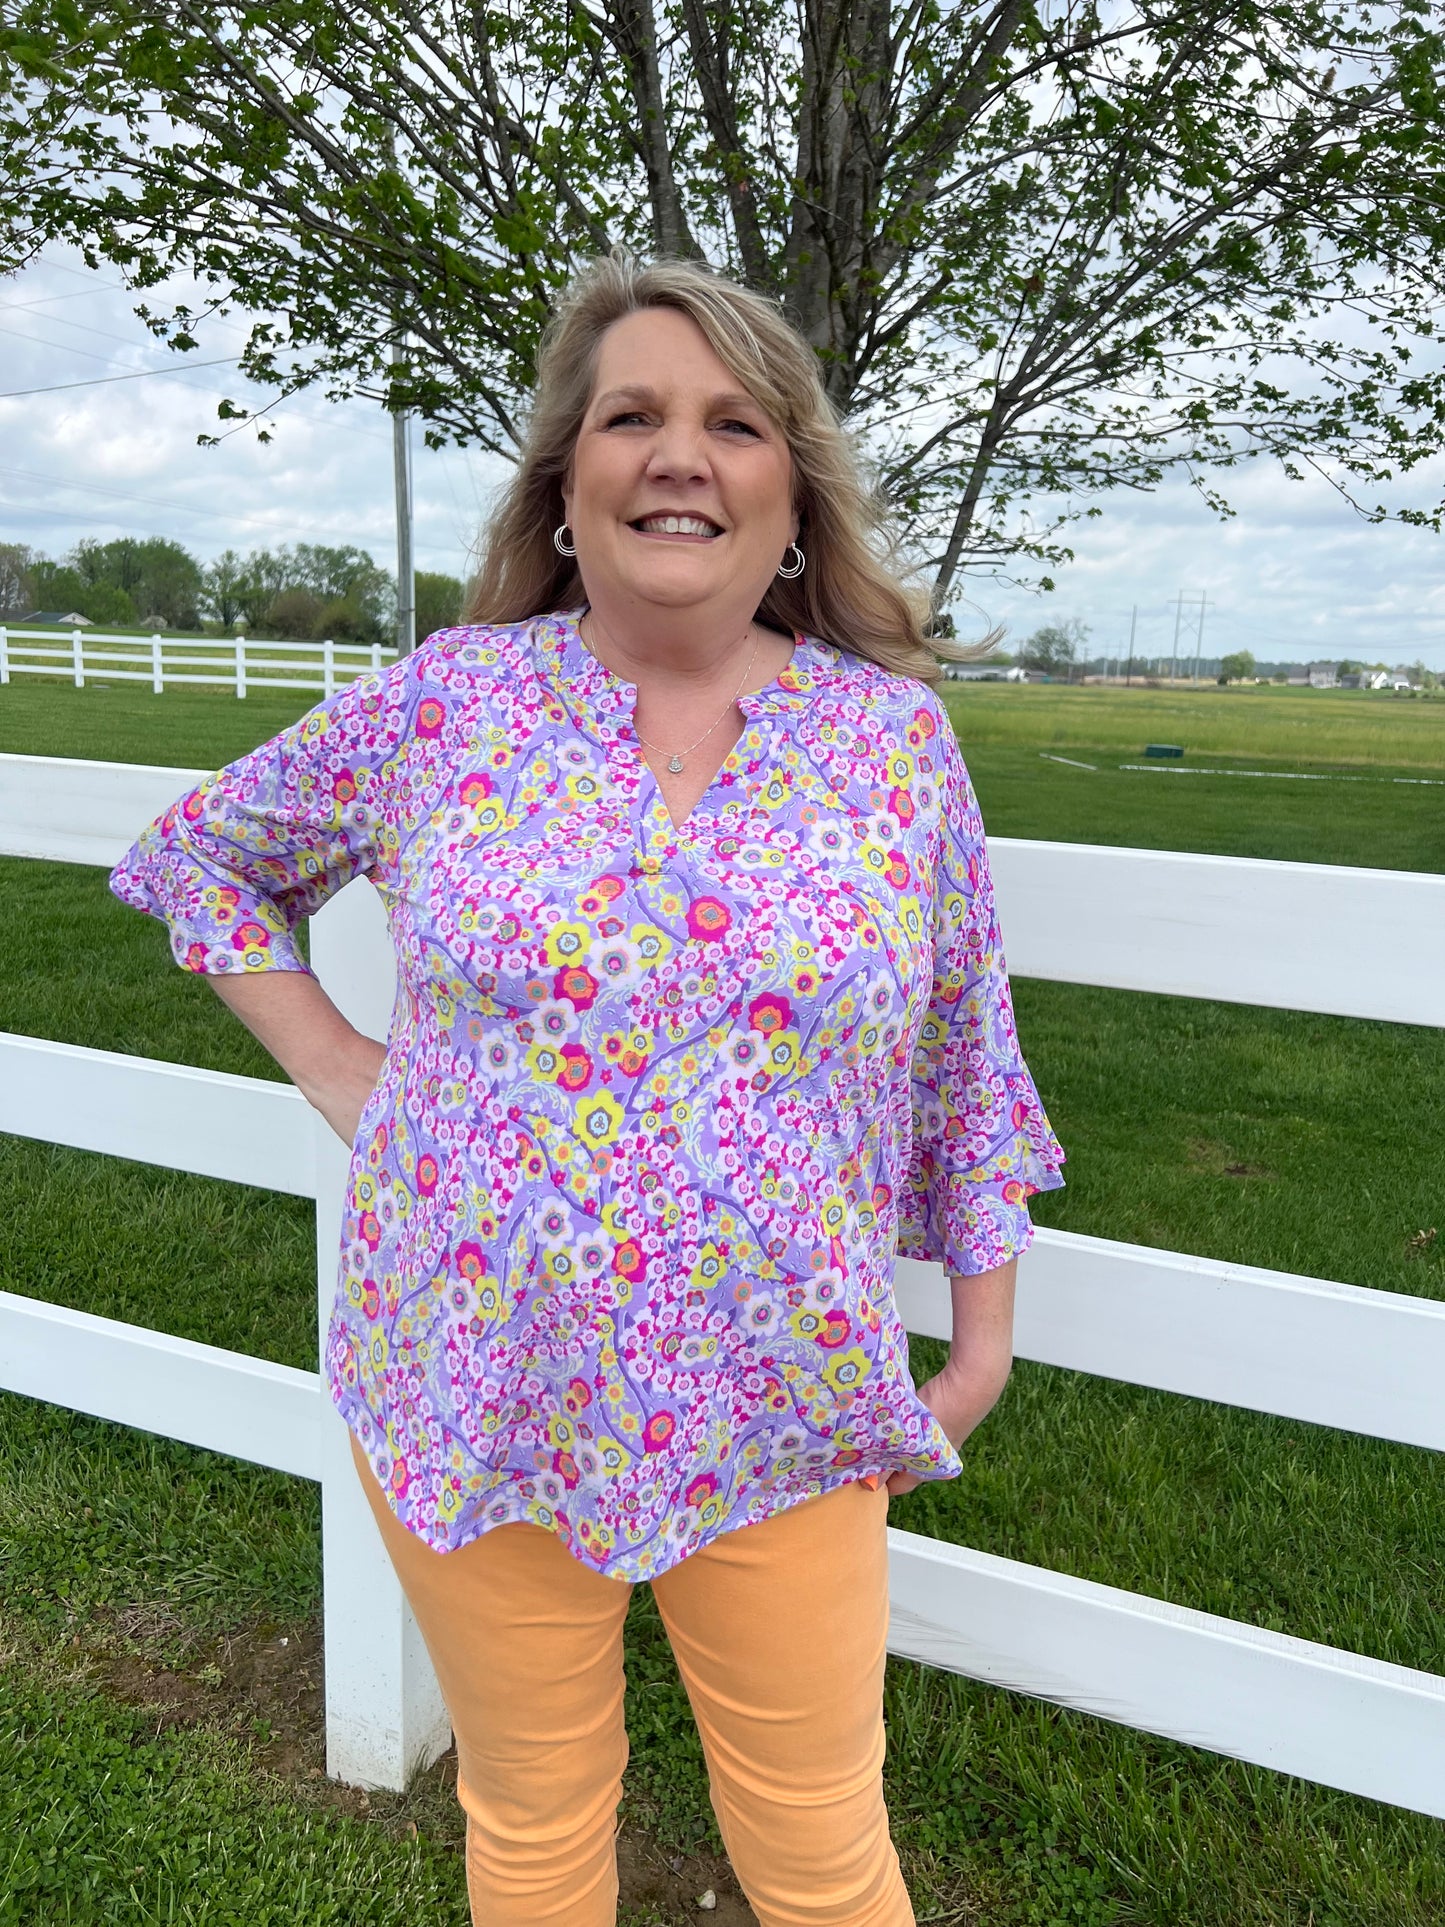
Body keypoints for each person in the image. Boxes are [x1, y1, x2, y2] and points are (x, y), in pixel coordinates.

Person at [109, 252, 1065, 1927]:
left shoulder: (890, 744)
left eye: (732, 423)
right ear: (568, 483)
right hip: (470, 1369)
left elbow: (959, 1047)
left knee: (820, 1843)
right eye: (631, 416)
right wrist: (342, 1064)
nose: (678, 455)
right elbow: (202, 859)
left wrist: (977, 1339)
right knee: (536, 1818)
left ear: (791, 491)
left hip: (787, 1394)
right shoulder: (447, 704)